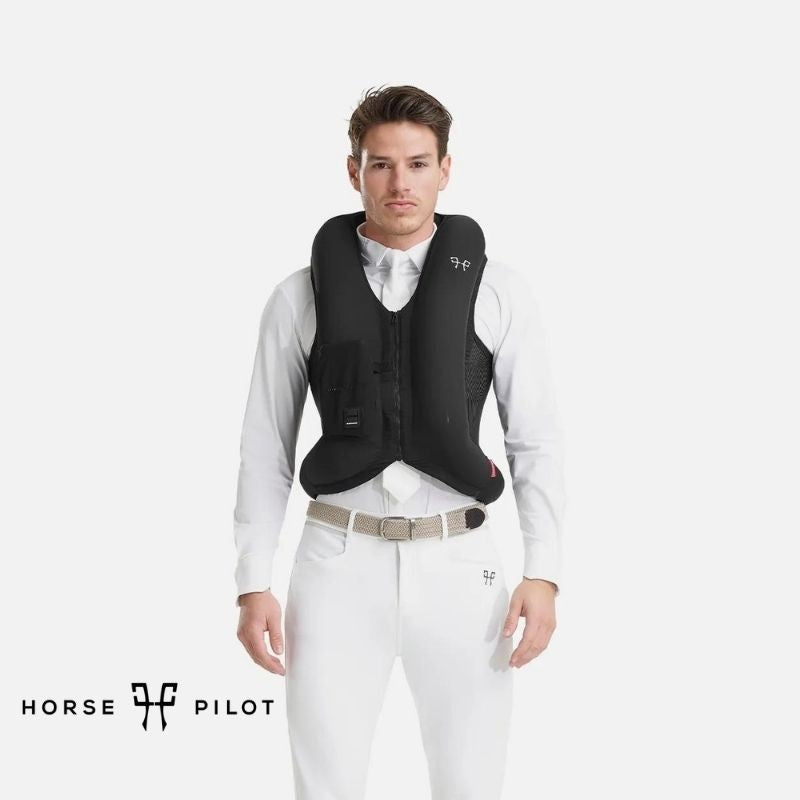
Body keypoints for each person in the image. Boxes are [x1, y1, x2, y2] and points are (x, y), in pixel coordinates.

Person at [232, 84, 566, 800]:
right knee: (326, 784)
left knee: (471, 783)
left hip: (461, 563)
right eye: (380, 164)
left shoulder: (500, 292)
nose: (399, 184)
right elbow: (265, 446)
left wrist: (544, 571)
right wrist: (252, 581)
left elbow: (535, 439)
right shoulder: (299, 296)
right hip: (336, 562)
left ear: (446, 169)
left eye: (417, 164)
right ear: (353, 171)